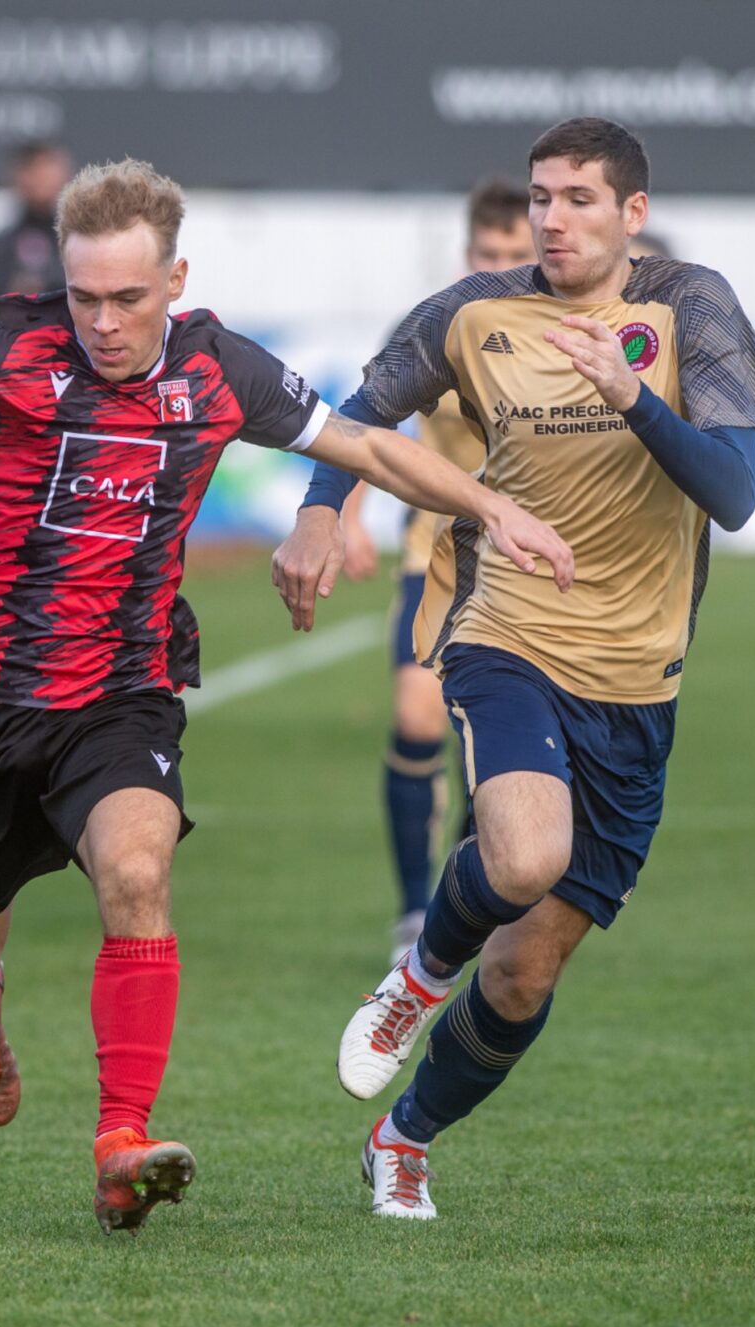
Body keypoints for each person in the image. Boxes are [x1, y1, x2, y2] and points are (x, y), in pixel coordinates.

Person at [0, 158, 573, 1233]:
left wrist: (489, 508)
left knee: (138, 871)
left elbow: (365, 441)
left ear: (174, 279)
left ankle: (120, 1143)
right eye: (83, 296)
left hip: (122, 693)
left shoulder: (216, 370)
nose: (101, 322)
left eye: (127, 299)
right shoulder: (3, 344)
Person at [273, 118, 755, 1220]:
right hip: (509, 635)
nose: (551, 217)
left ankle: (401, 1138)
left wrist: (631, 397)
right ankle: (411, 978)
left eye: (579, 198)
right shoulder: (472, 313)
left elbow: (731, 494)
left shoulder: (691, 309)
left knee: (523, 973)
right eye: (541, 196)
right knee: (523, 853)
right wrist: (317, 514)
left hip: (640, 682)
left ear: (631, 213)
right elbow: (352, 414)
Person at [336, 177, 536, 962]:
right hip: (440, 555)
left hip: (529, 566)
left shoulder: (566, 332)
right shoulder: (433, 328)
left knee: (492, 750)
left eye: (515, 254)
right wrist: (345, 516)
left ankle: (470, 887)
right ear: (468, 252)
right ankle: (414, 912)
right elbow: (360, 422)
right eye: (488, 252)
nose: (500, 265)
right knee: (418, 718)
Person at [0, 139, 71, 297]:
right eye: (33, 169)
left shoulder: (77, 234)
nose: (41, 178)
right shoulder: (5, 241)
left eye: (48, 167)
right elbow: (2, 299)